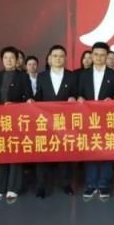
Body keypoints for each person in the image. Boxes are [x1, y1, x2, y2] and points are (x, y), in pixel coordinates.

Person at [77, 41, 114, 201]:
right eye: (96, 54)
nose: (98, 57)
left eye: (102, 55)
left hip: (107, 118)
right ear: (91, 55)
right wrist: (79, 98)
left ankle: (104, 184)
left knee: (105, 150)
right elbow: (79, 93)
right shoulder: (83, 74)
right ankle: (91, 184)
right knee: (90, 150)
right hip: (88, 118)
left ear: (107, 56)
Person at [33, 45, 78, 198]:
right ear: (49, 59)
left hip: (65, 122)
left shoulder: (72, 76)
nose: (58, 59)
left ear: (65, 59)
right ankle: (41, 186)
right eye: (55, 56)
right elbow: (38, 97)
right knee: (42, 154)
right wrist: (32, 101)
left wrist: (73, 98)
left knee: (65, 153)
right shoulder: (42, 76)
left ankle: (66, 184)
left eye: (61, 56)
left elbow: (76, 94)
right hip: (44, 122)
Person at [0, 46, 32, 200]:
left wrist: (16, 104)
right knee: (1, 150)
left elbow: (28, 96)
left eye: (12, 58)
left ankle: (13, 187)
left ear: (17, 60)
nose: (9, 60)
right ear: (2, 60)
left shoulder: (23, 77)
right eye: (6, 58)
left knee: (15, 152)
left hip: (16, 120)